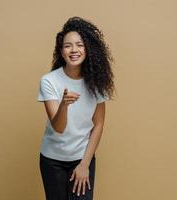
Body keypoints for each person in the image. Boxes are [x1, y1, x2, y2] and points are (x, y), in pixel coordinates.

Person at [37, 16, 115, 200]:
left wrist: (84, 165)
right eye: (68, 46)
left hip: (82, 158)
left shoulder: (96, 82)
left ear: (88, 49)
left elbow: (98, 125)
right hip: (52, 161)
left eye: (79, 45)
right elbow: (59, 127)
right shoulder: (49, 81)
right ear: (61, 51)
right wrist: (64, 105)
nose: (74, 50)